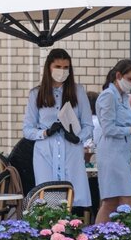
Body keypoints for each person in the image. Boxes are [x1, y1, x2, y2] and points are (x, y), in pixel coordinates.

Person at [23, 48, 92, 208]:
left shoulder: (78, 91)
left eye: (66, 67)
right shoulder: (36, 94)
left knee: (74, 196)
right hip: (46, 152)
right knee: (47, 198)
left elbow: (88, 125)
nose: (62, 71)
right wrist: (45, 132)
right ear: (49, 67)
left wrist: (78, 137)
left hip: (71, 150)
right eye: (58, 67)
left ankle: (72, 222)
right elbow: (27, 129)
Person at [95, 59, 131, 223]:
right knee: (123, 200)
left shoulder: (124, 97)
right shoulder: (108, 96)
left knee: (113, 201)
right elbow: (108, 129)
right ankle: (120, 234)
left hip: (121, 152)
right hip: (111, 153)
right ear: (118, 75)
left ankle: (108, 235)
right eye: (130, 79)